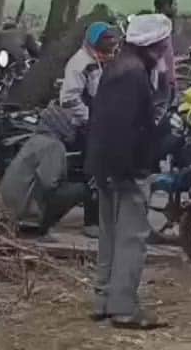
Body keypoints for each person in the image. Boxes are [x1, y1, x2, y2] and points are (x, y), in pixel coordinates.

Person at [87, 13, 174, 330]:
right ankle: (123, 307)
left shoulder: (118, 67)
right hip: (126, 169)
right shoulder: (134, 75)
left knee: (110, 236)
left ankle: (104, 300)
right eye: (164, 44)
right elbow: (123, 128)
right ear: (153, 46)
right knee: (131, 238)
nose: (166, 49)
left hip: (106, 166)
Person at [60, 21, 121, 238]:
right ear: (95, 40)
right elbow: (68, 98)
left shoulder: (100, 60)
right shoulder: (81, 63)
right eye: (107, 38)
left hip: (99, 125)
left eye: (113, 37)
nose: (112, 41)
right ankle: (91, 222)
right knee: (93, 173)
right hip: (86, 127)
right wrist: (90, 118)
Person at [0, 105, 89, 237]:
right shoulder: (53, 145)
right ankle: (39, 226)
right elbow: (48, 183)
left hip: (9, 206)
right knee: (83, 189)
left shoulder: (35, 139)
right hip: (24, 211)